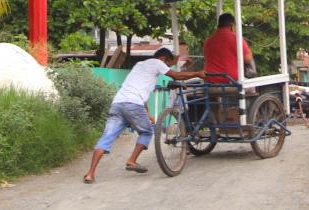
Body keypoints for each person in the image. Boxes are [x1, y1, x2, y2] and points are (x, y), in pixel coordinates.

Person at [83, 47, 204, 184]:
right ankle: (131, 160)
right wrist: (198, 74)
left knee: (106, 137)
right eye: (168, 64)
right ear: (163, 58)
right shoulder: (157, 63)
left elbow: (141, 92)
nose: (166, 68)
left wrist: (147, 113)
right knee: (147, 131)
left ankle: (90, 173)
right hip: (133, 104)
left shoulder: (140, 65)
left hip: (117, 104)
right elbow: (176, 76)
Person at [203, 12, 254, 83]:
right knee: (253, 85)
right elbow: (248, 59)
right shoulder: (236, 38)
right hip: (231, 81)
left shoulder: (208, 41)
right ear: (232, 26)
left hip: (210, 81)